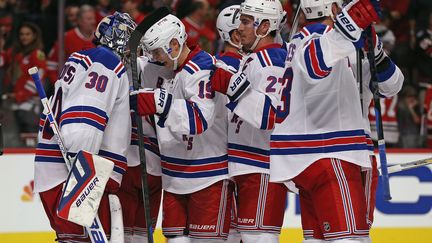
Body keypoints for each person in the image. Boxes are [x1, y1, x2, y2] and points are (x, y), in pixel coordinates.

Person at [269, 0, 385, 242]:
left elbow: (392, 84)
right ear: (333, 9)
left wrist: (373, 48)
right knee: (350, 238)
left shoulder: (298, 42)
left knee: (317, 239)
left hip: (306, 158)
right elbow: (315, 63)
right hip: (329, 155)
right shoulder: (319, 39)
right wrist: (350, 24)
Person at [131, 8, 232, 243]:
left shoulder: (202, 68)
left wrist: (158, 101)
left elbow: (198, 120)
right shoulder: (169, 68)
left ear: (174, 44)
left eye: (157, 51)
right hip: (174, 178)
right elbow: (136, 65)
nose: (155, 57)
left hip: (208, 178)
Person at [34, 12, 135, 242]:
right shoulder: (106, 61)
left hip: (57, 170)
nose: (132, 50)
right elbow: (84, 116)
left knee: (71, 239)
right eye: (130, 41)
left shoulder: (81, 58)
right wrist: (81, 171)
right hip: (76, 172)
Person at [210, 0, 288, 242]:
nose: (240, 28)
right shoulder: (254, 59)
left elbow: (271, 116)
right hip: (243, 164)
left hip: (261, 166)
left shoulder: (272, 62)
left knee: (258, 237)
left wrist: (233, 89)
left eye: (245, 22)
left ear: (264, 27)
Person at [122, 54, 174, 242]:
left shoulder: (128, 69)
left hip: (128, 160)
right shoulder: (171, 69)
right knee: (143, 233)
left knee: (124, 231)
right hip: (156, 165)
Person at [214, 5, 242, 243]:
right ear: (235, 35)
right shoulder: (244, 67)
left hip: (220, 162)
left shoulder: (213, 65)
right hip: (237, 159)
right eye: (245, 24)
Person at [0, 22, 46, 138]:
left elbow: (37, 81)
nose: (24, 37)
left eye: (27, 34)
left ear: (34, 35)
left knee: (27, 136)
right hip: (13, 102)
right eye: (21, 34)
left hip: (29, 104)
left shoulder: (37, 55)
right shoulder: (16, 53)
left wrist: (19, 95)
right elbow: (2, 61)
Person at [46, 4, 96, 84]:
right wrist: (58, 84)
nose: (93, 22)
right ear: (79, 21)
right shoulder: (67, 38)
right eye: (89, 19)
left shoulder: (100, 38)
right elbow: (51, 64)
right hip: (70, 87)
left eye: (94, 18)